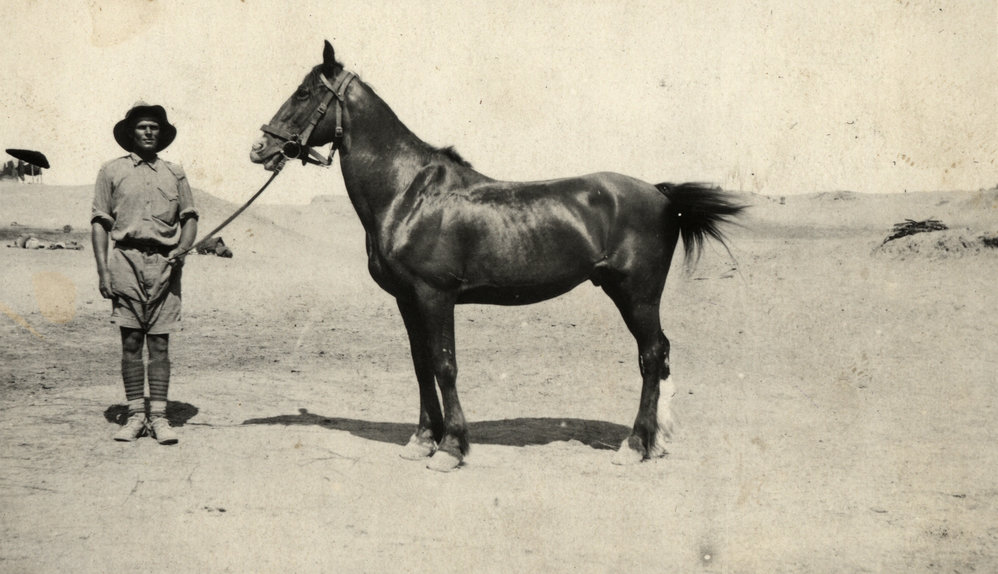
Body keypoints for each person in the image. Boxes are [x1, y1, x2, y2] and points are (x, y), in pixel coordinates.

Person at [91, 102, 199, 444]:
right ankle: (136, 415)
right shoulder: (111, 171)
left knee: (160, 344)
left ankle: (160, 418)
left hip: (166, 265)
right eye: (142, 127)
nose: (149, 131)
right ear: (131, 133)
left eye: (154, 127)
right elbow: (100, 223)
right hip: (125, 262)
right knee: (131, 341)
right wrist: (103, 271)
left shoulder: (175, 173)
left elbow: (190, 218)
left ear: (161, 134)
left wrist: (181, 249)